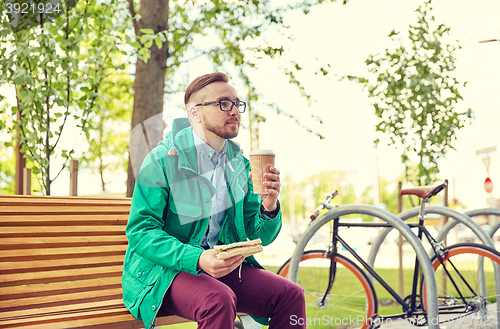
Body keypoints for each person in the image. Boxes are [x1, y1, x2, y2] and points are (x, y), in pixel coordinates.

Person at [122, 72, 306, 329]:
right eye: (223, 103)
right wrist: (197, 259)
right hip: (165, 272)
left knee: (290, 295)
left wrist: (269, 205)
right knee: (218, 299)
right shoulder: (163, 160)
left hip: (223, 268)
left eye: (236, 103)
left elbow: (257, 235)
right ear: (195, 113)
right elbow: (141, 232)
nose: (234, 111)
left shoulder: (240, 164)